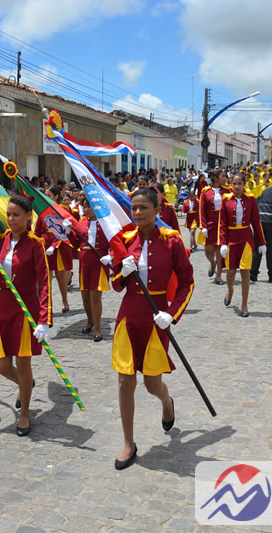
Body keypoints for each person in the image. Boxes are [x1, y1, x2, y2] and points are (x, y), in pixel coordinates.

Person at [109, 188, 194, 470]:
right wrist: (121, 272)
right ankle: (128, 444)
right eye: (134, 208)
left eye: (144, 207)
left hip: (157, 317)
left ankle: (166, 402)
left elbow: (186, 282)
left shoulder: (172, 242)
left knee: (151, 384)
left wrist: (172, 313)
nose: (137, 213)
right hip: (129, 316)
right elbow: (116, 285)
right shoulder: (125, 241)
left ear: (158, 210)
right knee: (125, 381)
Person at [0, 195, 50, 437]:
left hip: (26, 308)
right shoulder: (1, 241)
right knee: (2, 365)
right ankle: (26, 384)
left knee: (23, 362)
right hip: (5, 306)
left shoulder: (36, 244)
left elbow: (44, 283)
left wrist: (43, 319)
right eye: (9, 215)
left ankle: (24, 413)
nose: (11, 219)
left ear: (28, 215)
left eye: (16, 214)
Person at [220, 174, 266, 317]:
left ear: (244, 184)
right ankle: (230, 289)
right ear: (231, 184)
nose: (237, 186)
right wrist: (222, 243)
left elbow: (256, 222)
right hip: (231, 239)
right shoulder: (226, 200)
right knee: (231, 272)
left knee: (245, 271)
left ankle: (244, 304)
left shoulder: (251, 200)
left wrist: (262, 242)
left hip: (246, 239)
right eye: (234, 183)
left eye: (240, 183)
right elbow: (222, 224)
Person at [67, 199, 111, 342]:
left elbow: (117, 243)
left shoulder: (106, 224)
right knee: (85, 295)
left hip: (99, 262)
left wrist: (110, 256)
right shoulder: (80, 224)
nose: (86, 210)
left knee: (95, 295)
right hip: (84, 263)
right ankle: (90, 320)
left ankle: (97, 328)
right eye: (84, 207)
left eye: (90, 207)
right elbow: (75, 244)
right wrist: (68, 233)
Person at [36, 186, 73, 313]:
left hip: (59, 246)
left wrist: (54, 245)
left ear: (56, 197)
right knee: (46, 278)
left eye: (49, 195)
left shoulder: (63, 210)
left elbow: (65, 231)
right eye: (45, 195)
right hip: (44, 246)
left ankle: (65, 301)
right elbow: (37, 230)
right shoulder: (43, 210)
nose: (46, 197)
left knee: (61, 276)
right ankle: (47, 304)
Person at [199, 169, 228, 285]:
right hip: (210, 224)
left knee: (220, 251)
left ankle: (219, 276)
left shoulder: (227, 191)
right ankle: (212, 263)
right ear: (216, 178)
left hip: (222, 224)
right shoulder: (205, 192)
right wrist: (203, 226)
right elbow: (202, 210)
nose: (225, 178)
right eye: (223, 176)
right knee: (208, 250)